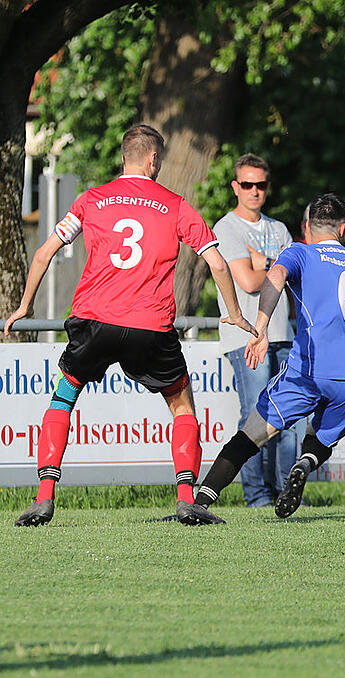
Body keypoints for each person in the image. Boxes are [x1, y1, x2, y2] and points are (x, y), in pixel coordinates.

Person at [4, 124, 254, 527]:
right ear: (153, 159)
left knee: (64, 396)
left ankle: (43, 497)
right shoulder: (174, 204)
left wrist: (24, 306)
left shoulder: (91, 200)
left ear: (124, 157)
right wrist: (235, 313)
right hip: (150, 324)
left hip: (94, 319)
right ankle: (187, 499)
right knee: (181, 404)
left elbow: (43, 254)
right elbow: (218, 263)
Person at [186, 193, 345, 524]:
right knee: (319, 435)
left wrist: (261, 327)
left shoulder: (300, 251)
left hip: (311, 369)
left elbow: (275, 276)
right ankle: (305, 464)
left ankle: (200, 502)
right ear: (343, 229)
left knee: (252, 434)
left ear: (308, 226)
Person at [213, 153, 300, 508]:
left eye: (260, 184)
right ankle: (256, 494)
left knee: (289, 416)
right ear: (235, 186)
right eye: (247, 184)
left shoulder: (279, 229)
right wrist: (274, 265)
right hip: (247, 336)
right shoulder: (226, 228)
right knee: (255, 415)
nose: (254, 191)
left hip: (282, 334)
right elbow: (248, 282)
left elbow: (293, 277)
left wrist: (262, 262)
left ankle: (286, 492)